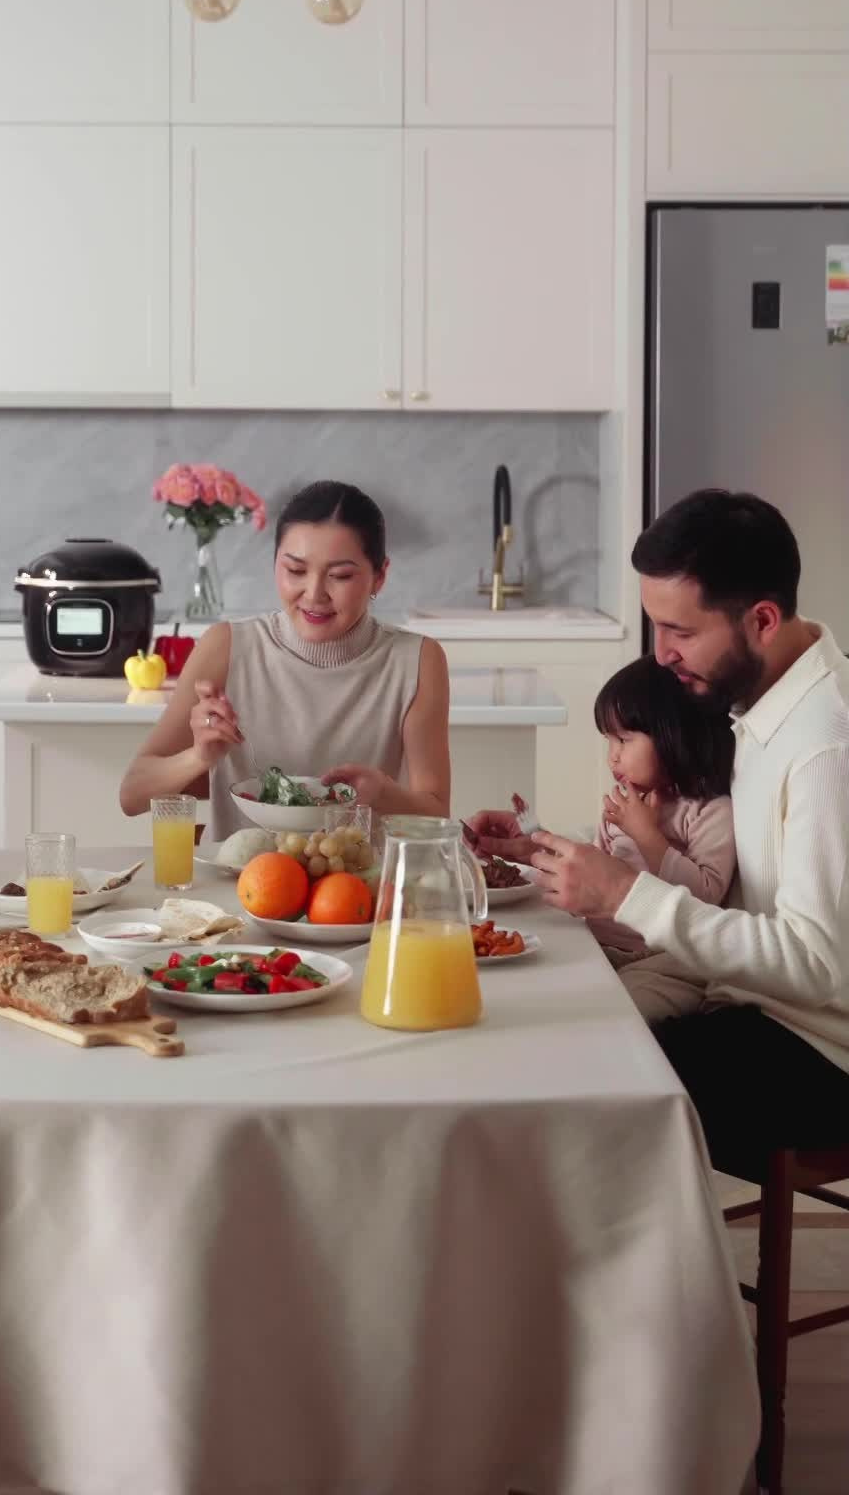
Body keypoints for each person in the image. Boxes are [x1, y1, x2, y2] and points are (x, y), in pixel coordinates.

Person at [527, 489, 849, 1178]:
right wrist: (539, 847)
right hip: (749, 1005)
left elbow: (815, 966)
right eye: (654, 626)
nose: (662, 654)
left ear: (761, 619)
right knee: (552, 1024)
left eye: (681, 631)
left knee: (576, 1077)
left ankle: (645, 1286)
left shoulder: (825, 746)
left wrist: (628, 895)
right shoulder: (760, 706)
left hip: (819, 1052)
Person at [119, 480, 451, 840]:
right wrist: (199, 757)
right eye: (295, 570)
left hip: (356, 889)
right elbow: (132, 795)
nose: (314, 594)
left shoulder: (416, 661)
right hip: (241, 887)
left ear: (380, 577)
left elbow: (436, 813)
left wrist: (383, 794)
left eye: (340, 576)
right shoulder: (226, 647)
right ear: (275, 563)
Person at [584, 653, 737, 965]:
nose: (612, 757)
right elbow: (593, 870)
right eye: (608, 741)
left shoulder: (708, 811)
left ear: (673, 735)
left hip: (663, 960)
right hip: (596, 945)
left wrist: (646, 835)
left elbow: (705, 899)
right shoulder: (624, 804)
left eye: (623, 740)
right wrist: (532, 837)